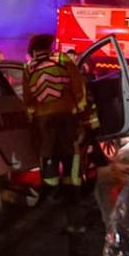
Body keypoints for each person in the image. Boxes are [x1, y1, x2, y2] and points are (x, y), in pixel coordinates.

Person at [24, 33, 87, 231]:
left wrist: (34, 117)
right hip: (67, 118)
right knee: (72, 168)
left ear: (33, 50)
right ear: (50, 46)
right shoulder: (62, 59)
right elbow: (79, 86)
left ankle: (46, 219)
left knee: (49, 162)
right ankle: (74, 221)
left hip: (44, 121)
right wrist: (79, 110)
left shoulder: (28, 68)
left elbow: (28, 98)